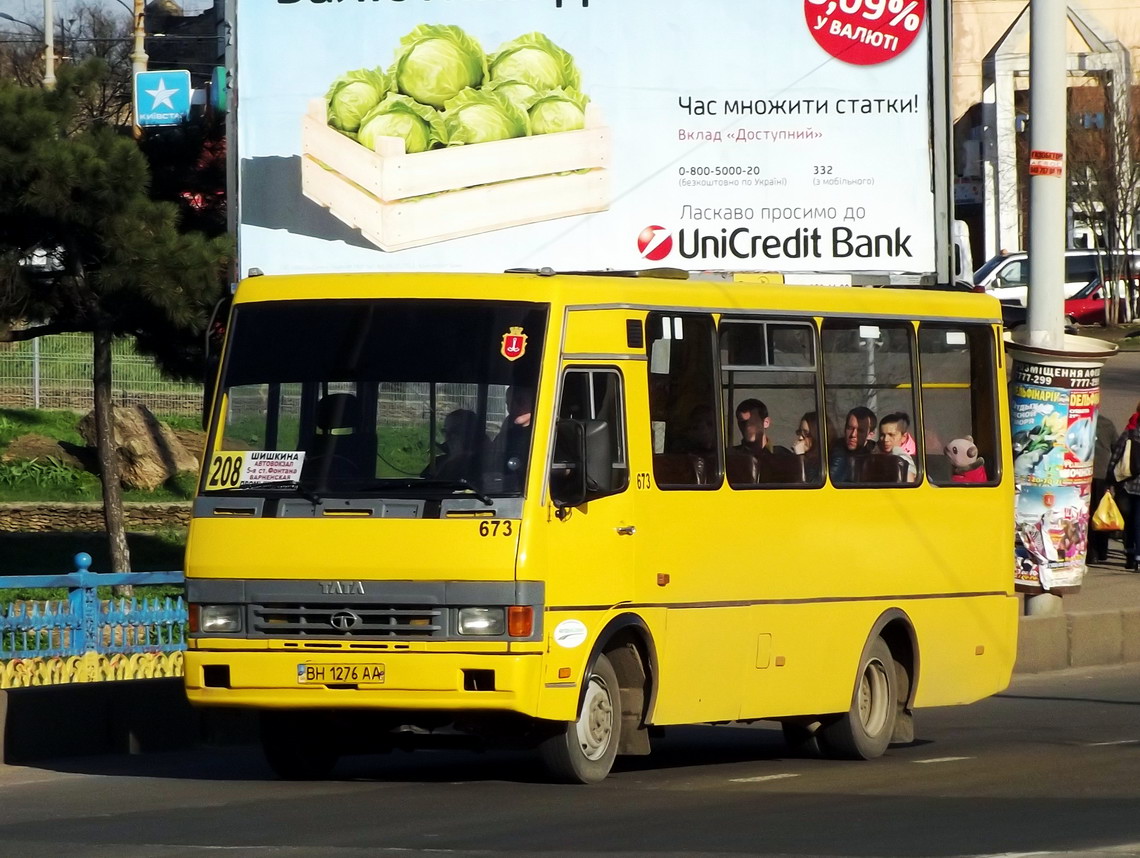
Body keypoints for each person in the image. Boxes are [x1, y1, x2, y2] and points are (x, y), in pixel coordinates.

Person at [1106, 401, 1140, 571]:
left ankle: (1130, 556)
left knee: (1127, 522)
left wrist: (1110, 480)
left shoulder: (1129, 433)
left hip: (1126, 484)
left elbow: (1116, 456)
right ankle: (1138, 555)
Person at [1088, 412, 1119, 564]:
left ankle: (1090, 551)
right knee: (1101, 513)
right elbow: (1116, 447)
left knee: (1086, 514)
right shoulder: (1107, 424)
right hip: (1102, 473)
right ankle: (1102, 551)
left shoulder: (1080, 421)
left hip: (1082, 473)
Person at [491, 386, 534, 491]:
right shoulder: (505, 436)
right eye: (508, 403)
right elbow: (492, 462)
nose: (512, 407)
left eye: (520, 401)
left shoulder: (549, 435)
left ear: (535, 403)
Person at [427, 409, 487, 482]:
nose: (448, 437)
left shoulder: (482, 466)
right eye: (445, 431)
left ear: (471, 434)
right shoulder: (437, 462)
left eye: (455, 431)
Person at [829, 405, 876, 482]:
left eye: (860, 431)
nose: (853, 434)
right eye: (850, 428)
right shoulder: (831, 451)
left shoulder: (878, 458)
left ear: (870, 435)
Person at [878, 412, 917, 482]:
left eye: (891, 435)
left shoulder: (904, 459)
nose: (885, 439)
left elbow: (910, 485)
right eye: (882, 435)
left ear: (904, 437)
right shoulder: (874, 451)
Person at [791, 410, 822, 482]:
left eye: (806, 433)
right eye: (800, 432)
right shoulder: (806, 458)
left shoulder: (824, 462)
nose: (800, 438)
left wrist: (800, 457)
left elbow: (806, 486)